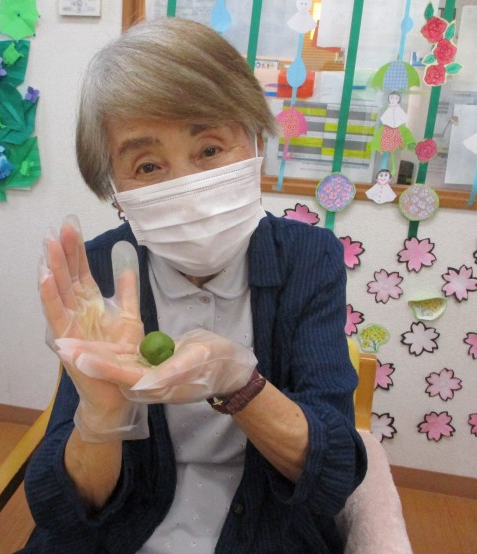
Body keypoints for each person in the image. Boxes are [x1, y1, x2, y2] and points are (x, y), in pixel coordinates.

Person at [21, 17, 366, 553]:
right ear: (115, 190)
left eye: (208, 149)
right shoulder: (100, 270)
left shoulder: (307, 259)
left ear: (255, 143)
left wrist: (241, 383)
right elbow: (61, 512)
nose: (187, 185)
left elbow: (334, 470)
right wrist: (103, 417)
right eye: (148, 165)